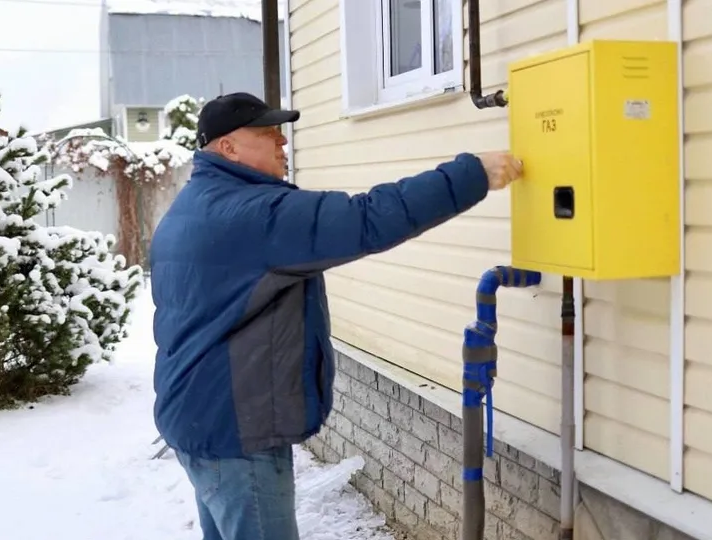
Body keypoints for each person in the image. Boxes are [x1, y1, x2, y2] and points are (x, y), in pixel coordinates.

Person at [148, 91, 523, 540]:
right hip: (235, 431)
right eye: (268, 134)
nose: (282, 143)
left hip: (199, 417)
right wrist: (472, 174)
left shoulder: (191, 207)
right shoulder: (251, 215)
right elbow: (367, 219)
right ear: (227, 147)